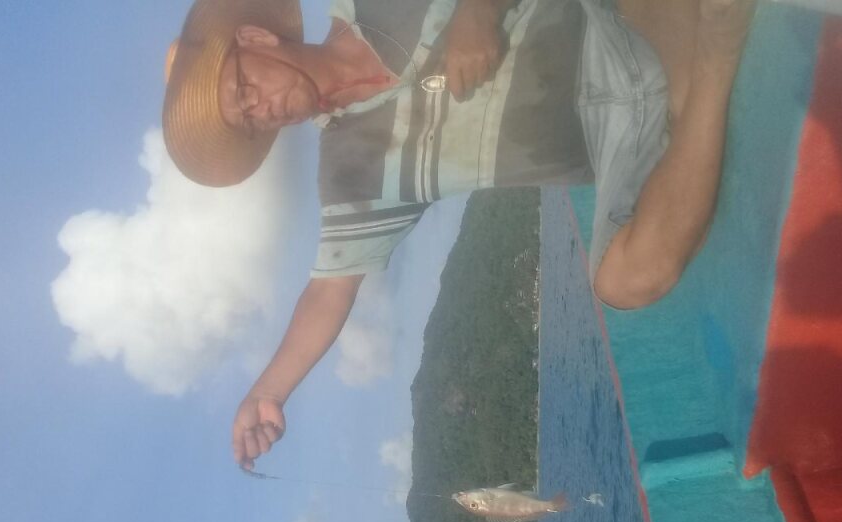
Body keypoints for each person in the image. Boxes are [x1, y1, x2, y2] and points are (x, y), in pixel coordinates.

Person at [161, 0, 755, 470]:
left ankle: (695, 91)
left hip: (616, 19)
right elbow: (328, 289)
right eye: (249, 122)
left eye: (244, 90)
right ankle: (716, 63)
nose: (262, 111)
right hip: (623, 145)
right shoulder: (350, 174)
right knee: (626, 282)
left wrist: (478, 9)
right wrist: (267, 391)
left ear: (255, 39)